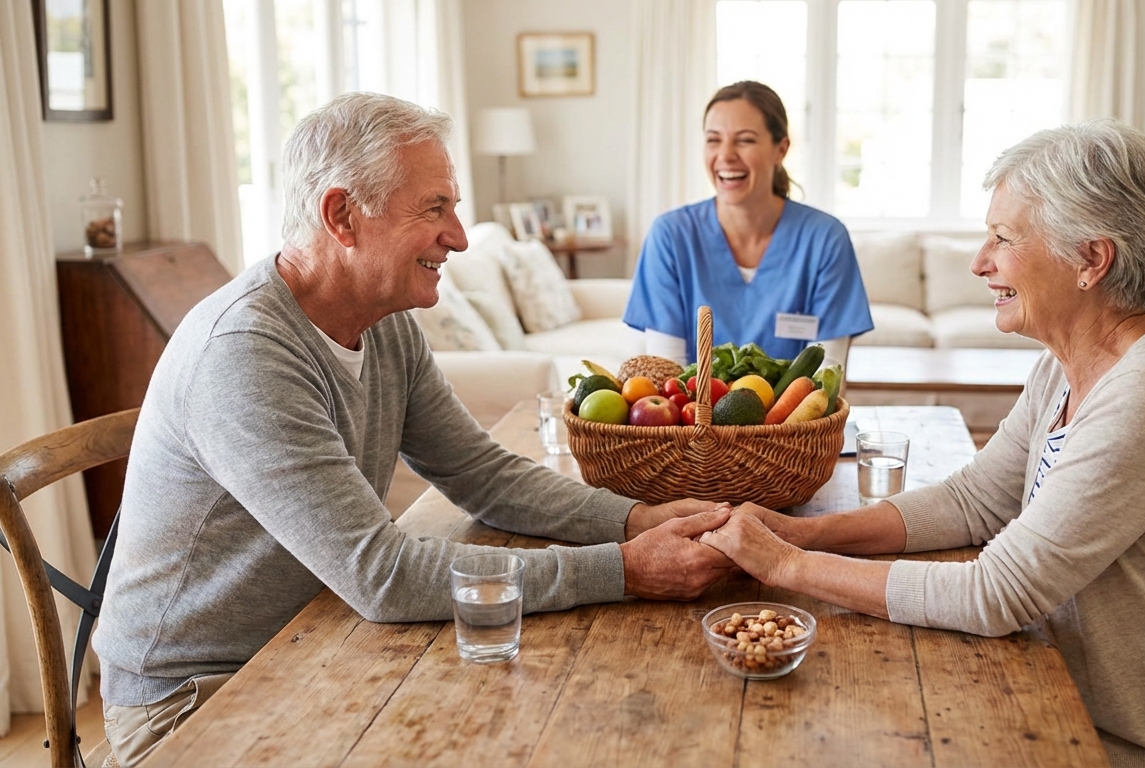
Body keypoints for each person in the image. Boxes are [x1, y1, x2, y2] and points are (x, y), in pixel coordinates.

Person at [92, 92, 734, 767]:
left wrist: (638, 519)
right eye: (435, 209)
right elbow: (384, 575)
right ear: (342, 216)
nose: (457, 236)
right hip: (195, 701)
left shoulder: (384, 320)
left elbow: (479, 472)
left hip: (318, 636)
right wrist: (625, 570)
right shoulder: (246, 353)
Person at [699, 120, 1145, 767]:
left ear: (1091, 261)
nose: (979, 262)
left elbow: (996, 594)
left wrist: (786, 568)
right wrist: (804, 535)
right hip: (1087, 701)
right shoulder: (1067, 364)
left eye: (1003, 239)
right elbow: (976, 501)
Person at [622, 81, 873, 365]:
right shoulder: (671, 236)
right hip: (694, 409)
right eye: (713, 139)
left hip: (796, 410)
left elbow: (826, 378)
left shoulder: (825, 239)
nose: (726, 155)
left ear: (781, 150)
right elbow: (667, 375)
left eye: (745, 140)